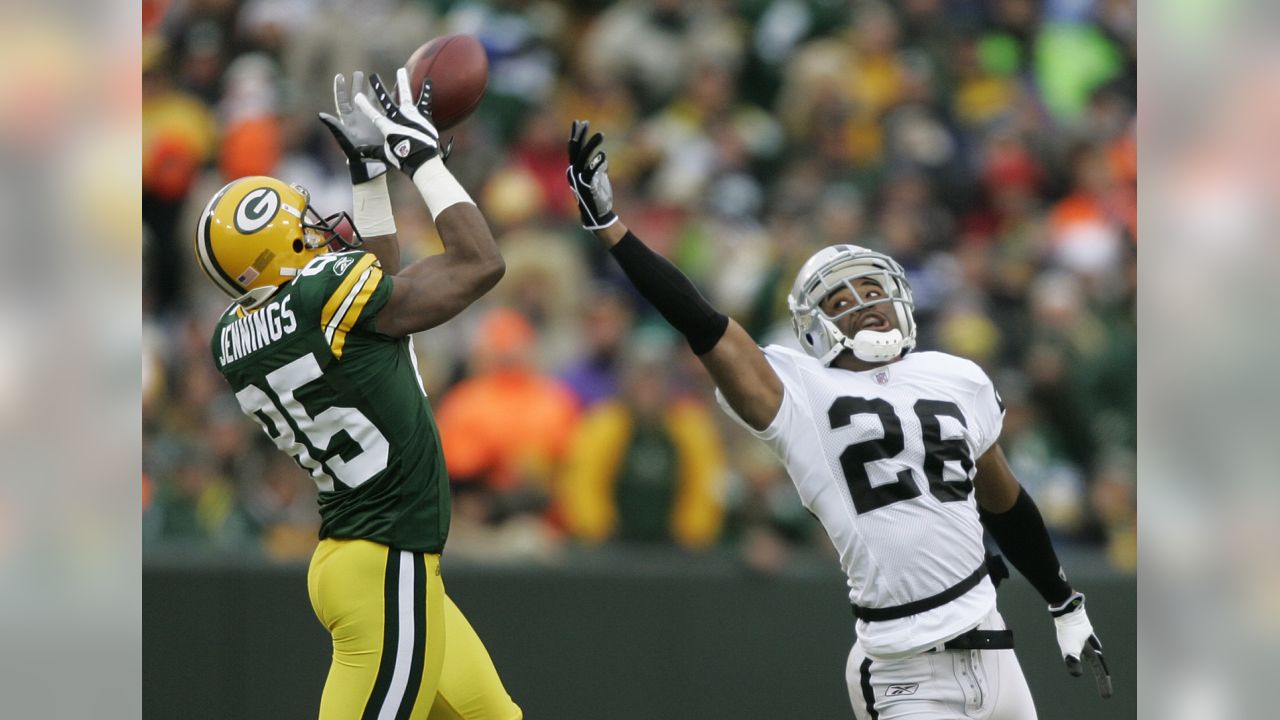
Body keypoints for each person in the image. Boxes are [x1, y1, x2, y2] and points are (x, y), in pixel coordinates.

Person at [566, 120, 1112, 719]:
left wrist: (1064, 603)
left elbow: (1004, 502)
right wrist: (613, 231)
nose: (866, 305)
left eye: (873, 289)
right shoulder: (799, 391)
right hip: (906, 671)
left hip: (995, 652)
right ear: (814, 326)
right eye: (842, 301)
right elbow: (702, 322)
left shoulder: (956, 377)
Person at [196, 68, 521, 719]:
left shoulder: (236, 335)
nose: (320, 230)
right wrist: (420, 159)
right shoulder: (324, 298)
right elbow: (479, 263)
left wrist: (370, 174)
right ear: (277, 250)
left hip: (360, 558)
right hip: (385, 562)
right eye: (304, 227)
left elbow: (375, 282)